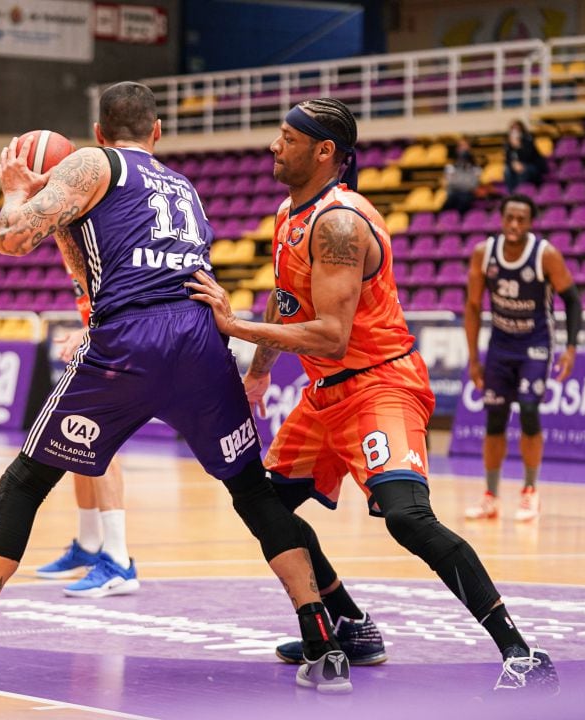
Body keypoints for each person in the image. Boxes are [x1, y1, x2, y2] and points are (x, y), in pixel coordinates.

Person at [0, 81, 362, 697]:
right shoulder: (182, 186)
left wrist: (16, 192)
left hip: (133, 342)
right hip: (199, 340)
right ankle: (324, 644)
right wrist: (61, 218)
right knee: (250, 490)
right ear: (157, 133)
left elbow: (10, 239)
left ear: (101, 132)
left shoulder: (92, 163)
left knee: (25, 482)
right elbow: (88, 262)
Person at [187, 98, 559, 694]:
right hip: (324, 396)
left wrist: (236, 329)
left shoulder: (339, 223)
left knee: (408, 520)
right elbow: (287, 303)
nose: (274, 147)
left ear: (324, 151)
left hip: (380, 383)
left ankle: (520, 650)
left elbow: (333, 337)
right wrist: (259, 373)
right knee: (264, 505)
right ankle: (351, 624)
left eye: (286, 138)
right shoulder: (289, 214)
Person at [464, 194, 581, 522]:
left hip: (535, 344)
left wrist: (570, 349)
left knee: (529, 411)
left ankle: (530, 491)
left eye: (522, 219)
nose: (515, 224)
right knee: (495, 419)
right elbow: (473, 306)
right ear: (501, 219)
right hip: (500, 345)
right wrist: (474, 358)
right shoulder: (483, 254)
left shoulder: (545, 255)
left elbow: (573, 300)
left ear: (530, 223)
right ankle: (490, 496)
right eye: (510, 218)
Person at [37, 325, 138, 598]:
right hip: (109, 344)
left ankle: (118, 560)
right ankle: (90, 544)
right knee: (80, 441)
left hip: (133, 346)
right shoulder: (80, 281)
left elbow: (131, 300)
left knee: (100, 441)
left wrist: (93, 330)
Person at [503, 120, 547, 194]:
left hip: (532, 166)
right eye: (513, 129)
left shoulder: (528, 140)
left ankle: (521, 193)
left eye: (517, 129)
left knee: (523, 171)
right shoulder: (508, 144)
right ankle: (511, 194)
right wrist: (513, 164)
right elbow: (508, 159)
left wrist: (518, 146)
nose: (515, 132)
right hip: (517, 166)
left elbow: (529, 157)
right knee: (507, 171)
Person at [440, 138, 481, 213]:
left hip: (468, 195)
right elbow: (449, 183)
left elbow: (473, 185)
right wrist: (463, 183)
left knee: (464, 199)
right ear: (457, 149)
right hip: (453, 194)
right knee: (449, 201)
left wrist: (458, 182)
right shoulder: (450, 167)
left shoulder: (475, 168)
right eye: (461, 146)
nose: (463, 149)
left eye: (466, 146)